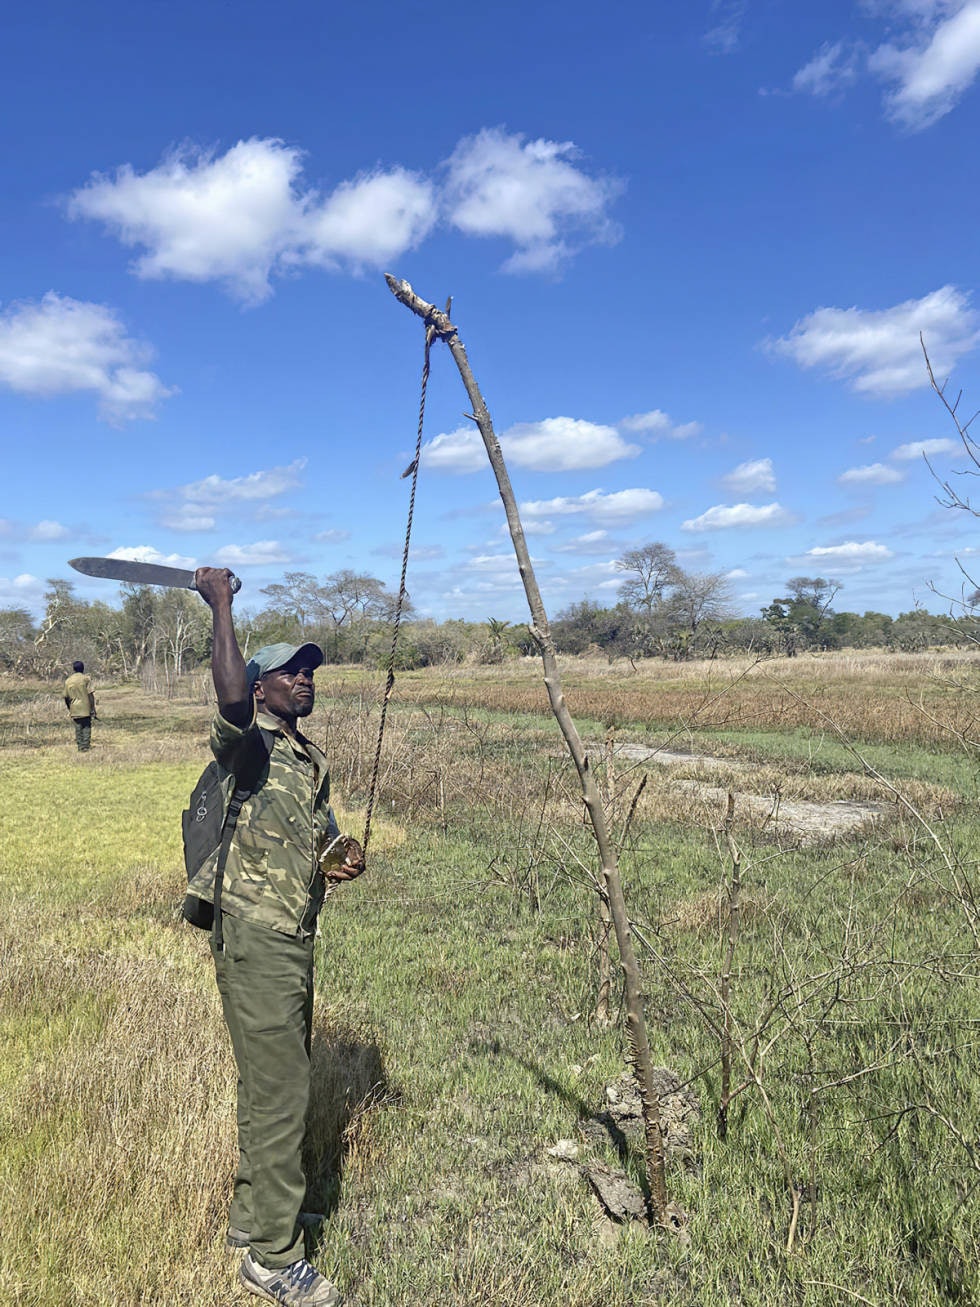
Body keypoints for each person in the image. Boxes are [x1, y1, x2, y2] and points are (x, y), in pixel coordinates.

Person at [194, 567, 365, 1307]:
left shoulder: (306, 757)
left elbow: (313, 835)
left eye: (311, 669)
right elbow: (228, 694)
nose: (305, 677)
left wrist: (340, 854)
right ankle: (274, 1256)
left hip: (292, 935)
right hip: (256, 934)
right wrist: (222, 606)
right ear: (261, 687)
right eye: (290, 669)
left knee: (269, 1082)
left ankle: (254, 1216)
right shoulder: (248, 743)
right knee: (285, 1091)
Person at [63, 660, 96, 751]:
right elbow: (90, 695)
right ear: (83, 668)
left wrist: (69, 708)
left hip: (74, 707)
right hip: (85, 707)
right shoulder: (86, 679)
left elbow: (66, 697)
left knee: (78, 728)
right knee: (86, 727)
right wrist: (93, 708)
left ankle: (80, 746)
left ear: (73, 669)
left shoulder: (68, 681)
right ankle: (85, 746)